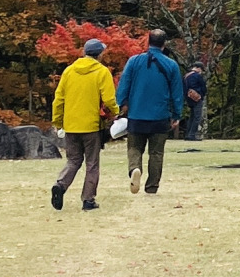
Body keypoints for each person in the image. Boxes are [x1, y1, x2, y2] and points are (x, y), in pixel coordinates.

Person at [116, 29, 186, 195]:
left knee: (134, 147)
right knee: (156, 153)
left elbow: (123, 85)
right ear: (164, 44)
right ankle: (152, 186)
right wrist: (177, 114)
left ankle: (134, 168)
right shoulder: (171, 65)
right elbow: (177, 93)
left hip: (136, 114)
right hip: (160, 115)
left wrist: (121, 104)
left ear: (148, 42)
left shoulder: (134, 61)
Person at [50, 37, 117, 212]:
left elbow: (59, 99)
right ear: (100, 54)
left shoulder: (69, 71)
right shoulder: (102, 72)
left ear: (84, 52)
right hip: (91, 126)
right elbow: (109, 99)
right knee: (92, 163)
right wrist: (115, 112)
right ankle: (88, 200)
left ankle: (61, 184)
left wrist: (58, 121)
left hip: (71, 125)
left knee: (73, 160)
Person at [183, 64, 207, 142]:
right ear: (198, 68)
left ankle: (188, 134)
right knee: (197, 117)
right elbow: (203, 87)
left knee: (192, 116)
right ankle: (192, 135)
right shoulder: (197, 76)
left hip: (188, 98)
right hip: (197, 98)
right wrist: (202, 94)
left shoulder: (186, 76)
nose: (201, 72)